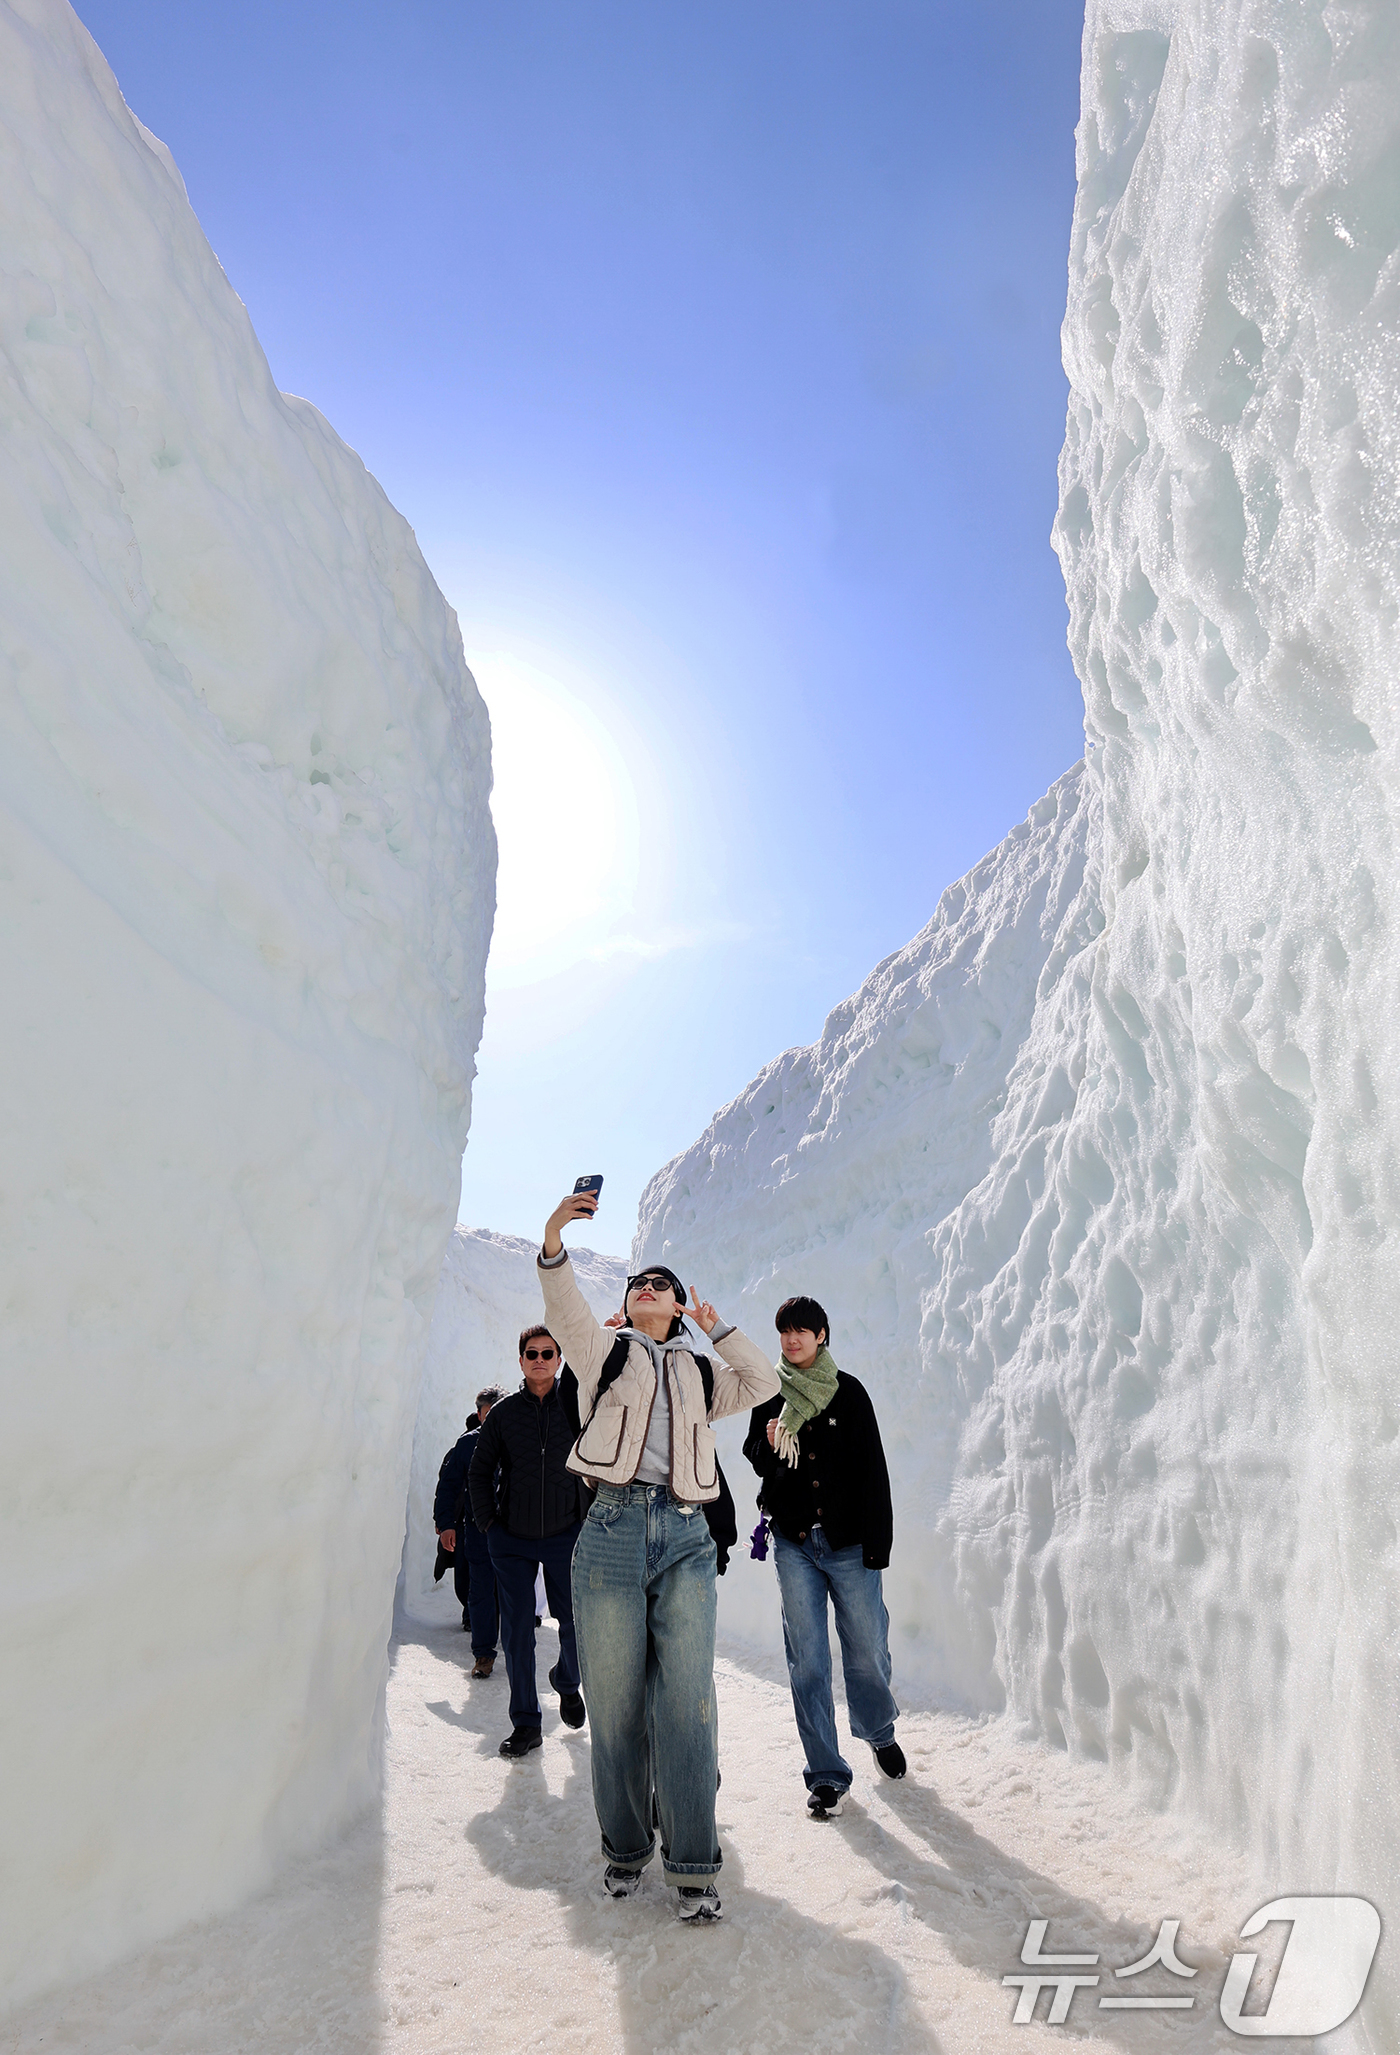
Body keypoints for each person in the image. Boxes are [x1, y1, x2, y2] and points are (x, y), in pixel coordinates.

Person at [538, 1186, 780, 1924]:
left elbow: (764, 1383)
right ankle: (625, 1848)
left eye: (663, 1285)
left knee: (688, 1702)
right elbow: (565, 1308)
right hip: (609, 1531)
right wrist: (554, 1233)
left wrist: (717, 1328)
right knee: (615, 1706)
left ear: (677, 1305)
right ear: (629, 1305)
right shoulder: (602, 1350)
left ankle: (695, 1866)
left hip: (685, 1534)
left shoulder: (702, 1372)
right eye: (640, 1283)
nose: (649, 1288)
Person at [743, 1294, 905, 1818]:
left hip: (849, 1543)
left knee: (866, 1647)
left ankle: (879, 1731)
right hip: (793, 1543)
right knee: (807, 1658)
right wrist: (769, 1443)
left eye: (802, 1331)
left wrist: (878, 1545)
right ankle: (827, 1774)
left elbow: (873, 1471)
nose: (792, 1340)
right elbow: (758, 1460)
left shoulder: (849, 1393)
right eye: (785, 1332)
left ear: (822, 1336)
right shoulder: (769, 1392)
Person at [469, 1326, 588, 1758]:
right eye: (531, 1353)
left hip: (566, 1535)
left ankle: (568, 1681)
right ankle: (526, 1724)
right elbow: (479, 1472)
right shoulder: (502, 1415)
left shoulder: (577, 1406)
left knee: (577, 1626)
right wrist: (489, 1526)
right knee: (518, 1633)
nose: (539, 1359)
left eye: (548, 1353)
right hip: (513, 1540)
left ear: (559, 1360)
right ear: (520, 1361)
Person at [434, 1386, 506, 1675]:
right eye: (488, 1413)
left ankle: (518, 1649)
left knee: (512, 1591)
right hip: (477, 1529)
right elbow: (448, 1486)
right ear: (479, 1414)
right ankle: (484, 1654)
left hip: (515, 1531)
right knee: (478, 1591)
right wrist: (446, 1525)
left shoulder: (518, 1441)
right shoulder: (467, 1445)